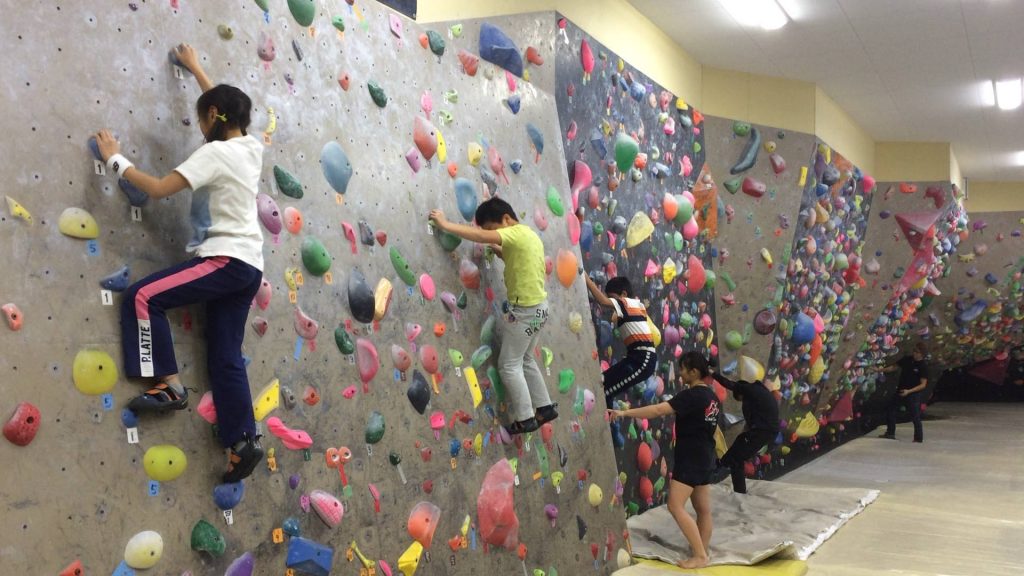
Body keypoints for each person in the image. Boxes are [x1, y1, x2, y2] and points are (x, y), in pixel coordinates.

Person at [94, 43, 265, 483]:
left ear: (212, 116)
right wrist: (196, 67)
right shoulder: (251, 148)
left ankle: (168, 385)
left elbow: (155, 187)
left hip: (226, 259)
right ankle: (242, 441)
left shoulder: (213, 154)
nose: (202, 125)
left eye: (203, 117)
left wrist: (115, 158)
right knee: (226, 355)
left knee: (143, 296)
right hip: (250, 268)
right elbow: (224, 108)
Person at [428, 198, 557, 434]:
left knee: (508, 365)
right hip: (540, 310)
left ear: (506, 219)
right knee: (526, 359)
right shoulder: (529, 236)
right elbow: (520, 261)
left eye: (492, 230)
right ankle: (545, 407)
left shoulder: (514, 233)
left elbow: (479, 236)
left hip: (525, 312)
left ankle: (526, 418)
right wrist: (500, 252)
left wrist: (445, 224)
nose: (491, 237)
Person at [608, 352, 720, 569]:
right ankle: (702, 549)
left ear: (694, 372)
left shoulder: (691, 395)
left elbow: (659, 410)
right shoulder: (711, 397)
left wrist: (624, 413)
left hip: (691, 458)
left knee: (675, 505)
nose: (680, 373)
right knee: (703, 509)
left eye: (683, 369)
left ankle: (700, 556)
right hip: (706, 456)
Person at [585, 275, 657, 403]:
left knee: (605, 391)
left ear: (624, 294)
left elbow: (602, 301)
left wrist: (585, 278)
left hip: (642, 359)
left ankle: (606, 415)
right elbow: (615, 318)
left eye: (612, 298)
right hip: (637, 357)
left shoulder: (625, 302)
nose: (612, 303)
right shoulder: (638, 305)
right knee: (603, 383)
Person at [712, 370, 779, 493]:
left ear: (740, 392)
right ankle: (722, 463)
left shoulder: (750, 390)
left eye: (740, 399)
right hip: (764, 431)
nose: (742, 401)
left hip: (763, 432)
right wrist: (745, 436)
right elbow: (749, 425)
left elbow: (729, 384)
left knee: (737, 458)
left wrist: (713, 373)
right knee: (740, 443)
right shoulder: (759, 393)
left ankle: (738, 489)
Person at [878, 341, 928, 443]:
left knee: (915, 416)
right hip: (901, 390)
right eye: (914, 351)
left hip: (913, 394)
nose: (914, 353)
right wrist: (880, 370)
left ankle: (918, 438)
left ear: (921, 354)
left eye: (917, 352)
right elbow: (894, 367)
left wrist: (909, 391)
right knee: (890, 409)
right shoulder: (907, 359)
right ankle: (890, 432)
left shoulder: (923, 366)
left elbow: (923, 384)